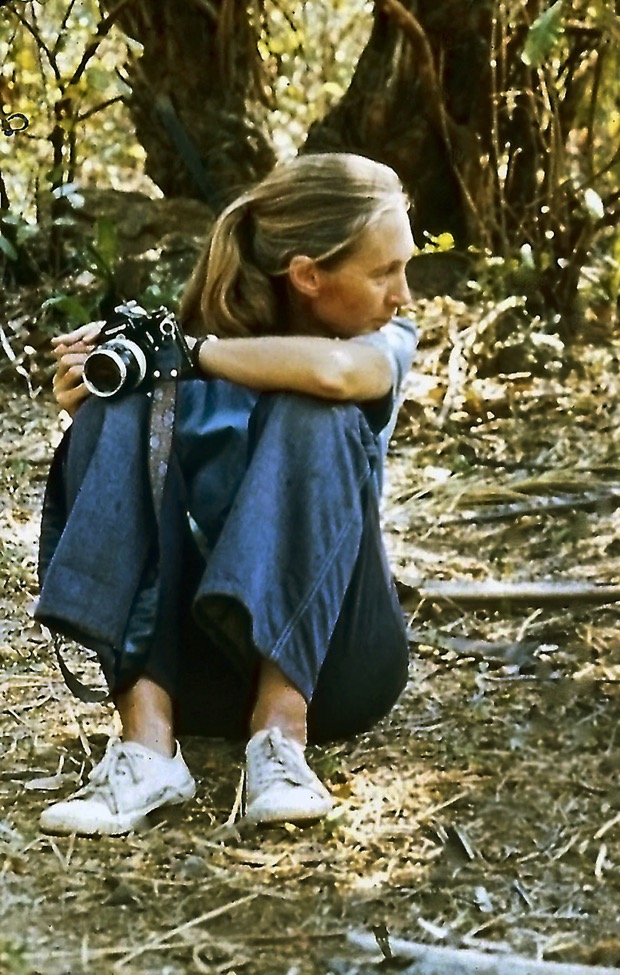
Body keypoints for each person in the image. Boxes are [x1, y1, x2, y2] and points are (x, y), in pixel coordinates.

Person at [34, 153, 418, 836]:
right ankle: (147, 746)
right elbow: (151, 514)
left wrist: (185, 354)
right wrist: (96, 412)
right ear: (307, 275)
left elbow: (331, 375)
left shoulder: (380, 341)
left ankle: (280, 737)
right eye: (386, 271)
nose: (404, 293)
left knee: (310, 411)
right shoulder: (180, 356)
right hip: (200, 677)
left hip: (339, 668)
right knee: (121, 406)